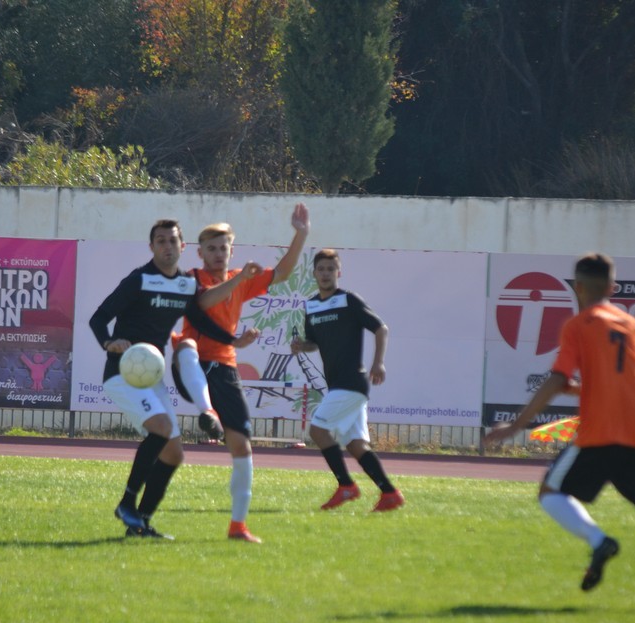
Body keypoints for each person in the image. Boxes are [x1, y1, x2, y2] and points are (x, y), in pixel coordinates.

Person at [484, 253, 635, 614]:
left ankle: (599, 541)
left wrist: (517, 425)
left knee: (550, 492)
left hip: (600, 433)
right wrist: (587, 389)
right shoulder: (630, 324)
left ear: (578, 287)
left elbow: (556, 378)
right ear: (612, 287)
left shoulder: (579, 324)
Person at [89, 218, 258, 539]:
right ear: (152, 247)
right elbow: (98, 318)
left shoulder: (184, 284)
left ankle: (141, 523)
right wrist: (108, 342)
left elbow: (200, 321)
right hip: (122, 372)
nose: (168, 246)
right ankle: (126, 503)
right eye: (161, 241)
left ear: (183, 246)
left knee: (173, 453)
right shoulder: (139, 280)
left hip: (151, 376)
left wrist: (233, 341)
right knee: (163, 428)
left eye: (173, 241)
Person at [171, 203, 311, 543]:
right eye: (212, 248)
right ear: (200, 252)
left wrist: (301, 234)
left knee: (242, 448)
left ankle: (238, 526)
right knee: (185, 344)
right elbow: (204, 303)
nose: (218, 254)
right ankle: (207, 411)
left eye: (224, 248)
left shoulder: (240, 279)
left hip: (225, 368)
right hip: (191, 364)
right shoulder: (192, 278)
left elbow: (282, 274)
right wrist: (240, 280)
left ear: (232, 251)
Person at [290, 249, 405, 512]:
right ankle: (389, 493)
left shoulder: (349, 300)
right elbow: (314, 343)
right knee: (356, 445)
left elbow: (381, 328)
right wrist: (301, 346)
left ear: (339, 273)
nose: (326, 273)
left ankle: (346, 486)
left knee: (318, 430)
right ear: (314, 273)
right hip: (338, 384)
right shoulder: (311, 305)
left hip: (351, 382)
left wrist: (378, 362)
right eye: (321, 269)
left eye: (331, 269)